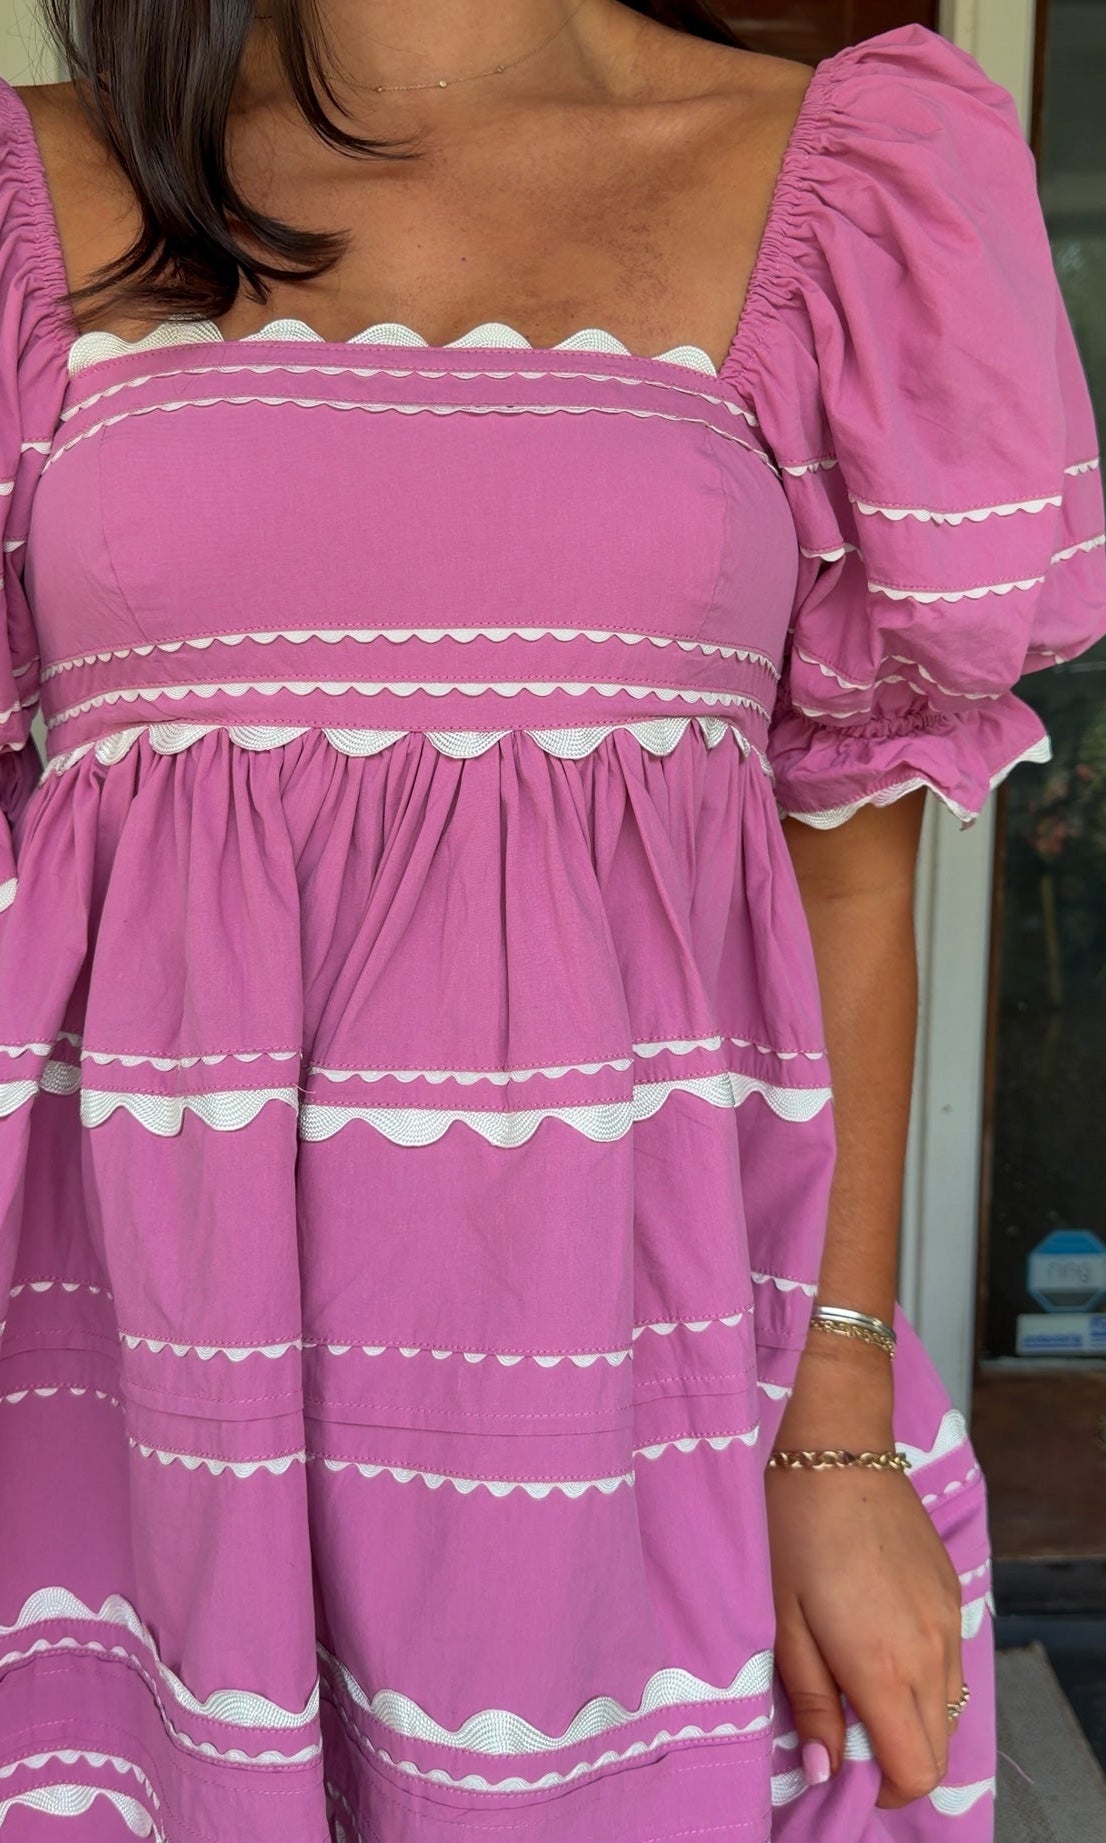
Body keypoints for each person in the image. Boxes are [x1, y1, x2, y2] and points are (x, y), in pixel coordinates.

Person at [0, 3, 1102, 1839]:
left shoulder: (844, 181)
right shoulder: (37, 190)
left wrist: (831, 1430)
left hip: (641, 1368)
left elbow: (846, 859)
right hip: (134, 1376)